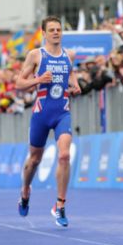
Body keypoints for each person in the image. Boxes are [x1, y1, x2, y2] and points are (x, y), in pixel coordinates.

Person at [15, 16, 81, 227]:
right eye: (51, 30)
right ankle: (25, 190)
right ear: (43, 33)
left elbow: (71, 76)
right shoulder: (36, 55)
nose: (56, 33)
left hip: (62, 111)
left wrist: (75, 86)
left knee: (64, 155)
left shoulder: (69, 55)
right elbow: (19, 83)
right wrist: (38, 80)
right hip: (41, 113)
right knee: (34, 160)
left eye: (59, 29)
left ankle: (60, 205)